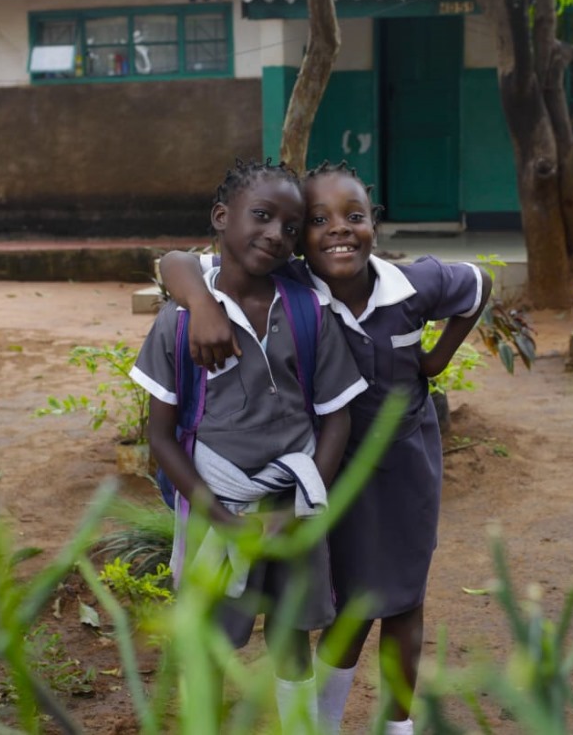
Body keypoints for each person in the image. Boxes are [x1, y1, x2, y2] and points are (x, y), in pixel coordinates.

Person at [159, 161, 490, 733]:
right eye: (317, 221)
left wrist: (435, 361)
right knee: (349, 596)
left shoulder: (414, 284)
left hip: (404, 465)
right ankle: (325, 721)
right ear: (299, 243)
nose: (339, 229)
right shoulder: (291, 287)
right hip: (323, 473)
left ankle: (396, 725)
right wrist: (202, 304)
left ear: (374, 226)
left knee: (405, 597)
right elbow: (176, 263)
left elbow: (478, 286)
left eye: (354, 216)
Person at [130, 158, 367, 731]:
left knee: (292, 634)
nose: (276, 236)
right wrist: (220, 516)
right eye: (261, 217)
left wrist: (299, 508)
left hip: (293, 509)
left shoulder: (308, 309)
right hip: (218, 512)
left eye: (290, 227)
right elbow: (159, 435)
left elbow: (337, 419)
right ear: (221, 217)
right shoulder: (180, 323)